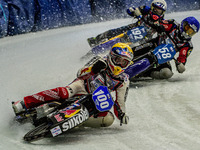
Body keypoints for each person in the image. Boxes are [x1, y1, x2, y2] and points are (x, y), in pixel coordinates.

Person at [12, 43, 134, 127]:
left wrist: (122, 115)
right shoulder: (100, 60)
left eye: (125, 62)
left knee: (108, 119)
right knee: (64, 93)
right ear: (112, 57)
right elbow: (80, 73)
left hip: (95, 99)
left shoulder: (123, 80)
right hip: (81, 86)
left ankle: (76, 123)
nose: (120, 64)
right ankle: (24, 103)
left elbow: (120, 101)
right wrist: (93, 69)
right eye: (118, 60)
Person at [87, 0, 167, 47]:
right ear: (152, 7)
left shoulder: (162, 22)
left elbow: (163, 35)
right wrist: (134, 12)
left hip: (145, 37)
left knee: (135, 48)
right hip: (134, 27)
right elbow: (130, 10)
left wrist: (161, 30)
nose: (156, 11)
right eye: (155, 9)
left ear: (162, 12)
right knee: (113, 31)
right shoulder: (146, 9)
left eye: (159, 10)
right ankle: (96, 39)